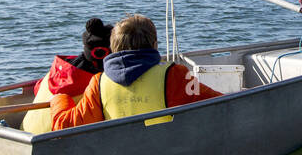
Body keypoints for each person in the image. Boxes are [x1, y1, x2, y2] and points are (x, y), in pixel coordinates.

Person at [49, 14, 222, 130]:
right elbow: (219, 103)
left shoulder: (98, 83)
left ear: (113, 48)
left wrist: (59, 97)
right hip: (167, 154)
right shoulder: (175, 75)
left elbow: (65, 124)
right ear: (154, 45)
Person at [22, 17, 112, 134]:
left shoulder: (54, 72)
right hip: (51, 144)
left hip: (23, 134)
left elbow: (36, 89)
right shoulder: (96, 86)